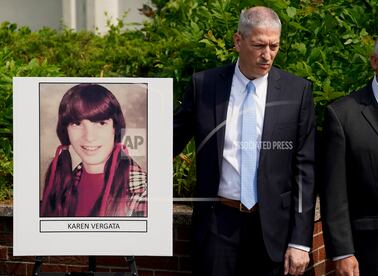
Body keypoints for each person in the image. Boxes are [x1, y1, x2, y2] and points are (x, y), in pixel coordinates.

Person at [173, 6, 316, 276]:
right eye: (259, 45)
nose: (267, 55)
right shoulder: (204, 85)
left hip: (275, 227)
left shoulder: (297, 91)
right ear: (238, 41)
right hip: (219, 226)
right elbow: (170, 141)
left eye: (274, 46)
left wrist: (300, 241)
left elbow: (304, 170)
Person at [320, 25, 378, 275]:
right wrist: (342, 251)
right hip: (373, 252)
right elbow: (334, 191)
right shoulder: (342, 115)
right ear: (374, 61)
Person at [40, 84, 147, 217]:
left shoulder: (142, 190)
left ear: (115, 128)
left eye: (101, 123)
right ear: (66, 130)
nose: (89, 137)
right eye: (77, 124)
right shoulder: (63, 181)